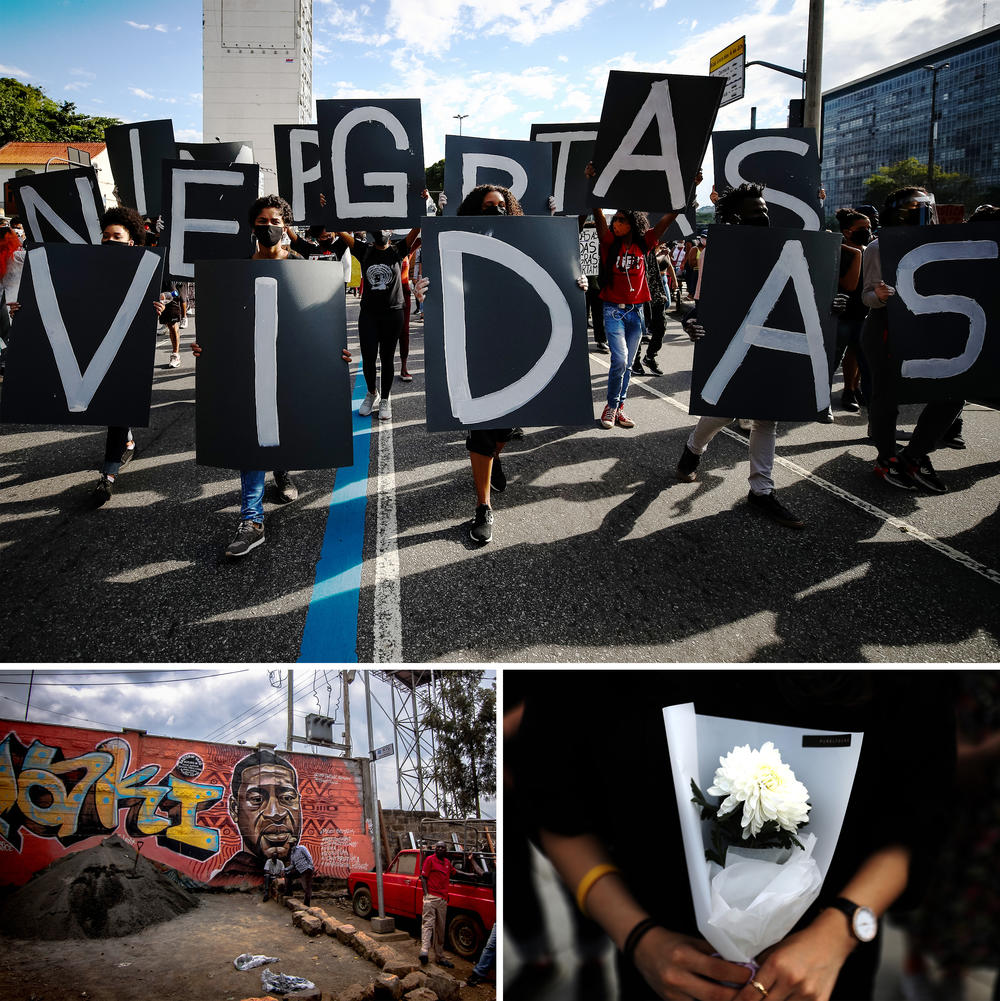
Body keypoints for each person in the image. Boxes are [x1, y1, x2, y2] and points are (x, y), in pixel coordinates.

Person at [514, 670, 956, 1001]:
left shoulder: (893, 683)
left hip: (826, 971)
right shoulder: (581, 682)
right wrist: (639, 938)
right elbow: (557, 809)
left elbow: (916, 814)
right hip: (661, 970)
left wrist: (840, 931)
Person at [191, 193, 353, 557]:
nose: (268, 227)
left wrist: (336, 353)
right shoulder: (236, 272)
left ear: (286, 226)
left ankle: (281, 469)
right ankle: (252, 519)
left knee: (279, 421)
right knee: (255, 432)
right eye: (262, 222)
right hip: (250, 365)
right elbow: (222, 323)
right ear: (253, 226)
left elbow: (318, 319)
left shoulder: (303, 267)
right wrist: (207, 349)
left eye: (275, 221)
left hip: (291, 364)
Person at [674, 182, 806, 529]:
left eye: (765, 210)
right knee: (726, 411)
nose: (763, 216)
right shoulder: (719, 251)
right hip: (734, 340)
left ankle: (760, 490)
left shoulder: (787, 246)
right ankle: (694, 446)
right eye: (755, 212)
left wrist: (832, 307)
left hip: (772, 340)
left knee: (767, 417)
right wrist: (693, 321)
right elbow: (706, 303)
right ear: (734, 218)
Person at [861, 186, 964, 492]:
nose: (929, 218)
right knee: (886, 397)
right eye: (922, 211)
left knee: (952, 392)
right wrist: (879, 295)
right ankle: (887, 458)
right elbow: (866, 295)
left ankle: (915, 455)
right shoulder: (878, 248)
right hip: (886, 329)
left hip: (930, 328)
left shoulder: (943, 245)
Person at [588, 195, 679, 430]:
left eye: (620, 219)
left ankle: (619, 409)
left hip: (636, 312)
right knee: (619, 359)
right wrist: (592, 187)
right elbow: (598, 215)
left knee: (628, 363)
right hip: (613, 311)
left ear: (632, 223)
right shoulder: (609, 242)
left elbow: (668, 219)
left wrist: (689, 189)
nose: (614, 223)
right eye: (614, 219)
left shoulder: (644, 242)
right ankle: (610, 406)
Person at [336, 224, 421, 422]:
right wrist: (327, 207)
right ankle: (371, 392)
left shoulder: (398, 250)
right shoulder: (364, 251)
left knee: (387, 358)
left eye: (385, 227)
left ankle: (385, 399)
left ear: (390, 232)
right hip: (369, 315)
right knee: (368, 357)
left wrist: (423, 200)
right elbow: (339, 228)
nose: (381, 231)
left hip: (393, 314)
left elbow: (417, 228)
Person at [214, 748, 303, 878]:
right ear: (234, 809)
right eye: (257, 799)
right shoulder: (227, 878)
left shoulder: (302, 867)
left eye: (288, 798)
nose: (275, 814)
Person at [420, 841, 458, 968]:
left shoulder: (447, 863)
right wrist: (426, 895)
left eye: (442, 847)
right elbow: (423, 877)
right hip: (431, 897)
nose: (440, 849)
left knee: (440, 929)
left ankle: (439, 956)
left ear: (446, 850)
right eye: (438, 847)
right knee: (428, 924)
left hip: (442, 900)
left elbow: (455, 873)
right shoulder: (430, 860)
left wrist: (472, 874)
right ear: (435, 849)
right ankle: (424, 951)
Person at [284, 840, 316, 906]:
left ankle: (307, 904)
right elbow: (292, 865)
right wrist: (285, 869)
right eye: (290, 844)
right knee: (288, 875)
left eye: (292, 844)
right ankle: (289, 893)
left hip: (306, 869)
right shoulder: (292, 853)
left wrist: (310, 867)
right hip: (299, 870)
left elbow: (309, 857)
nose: (291, 845)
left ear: (295, 843)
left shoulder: (302, 848)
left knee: (306, 887)